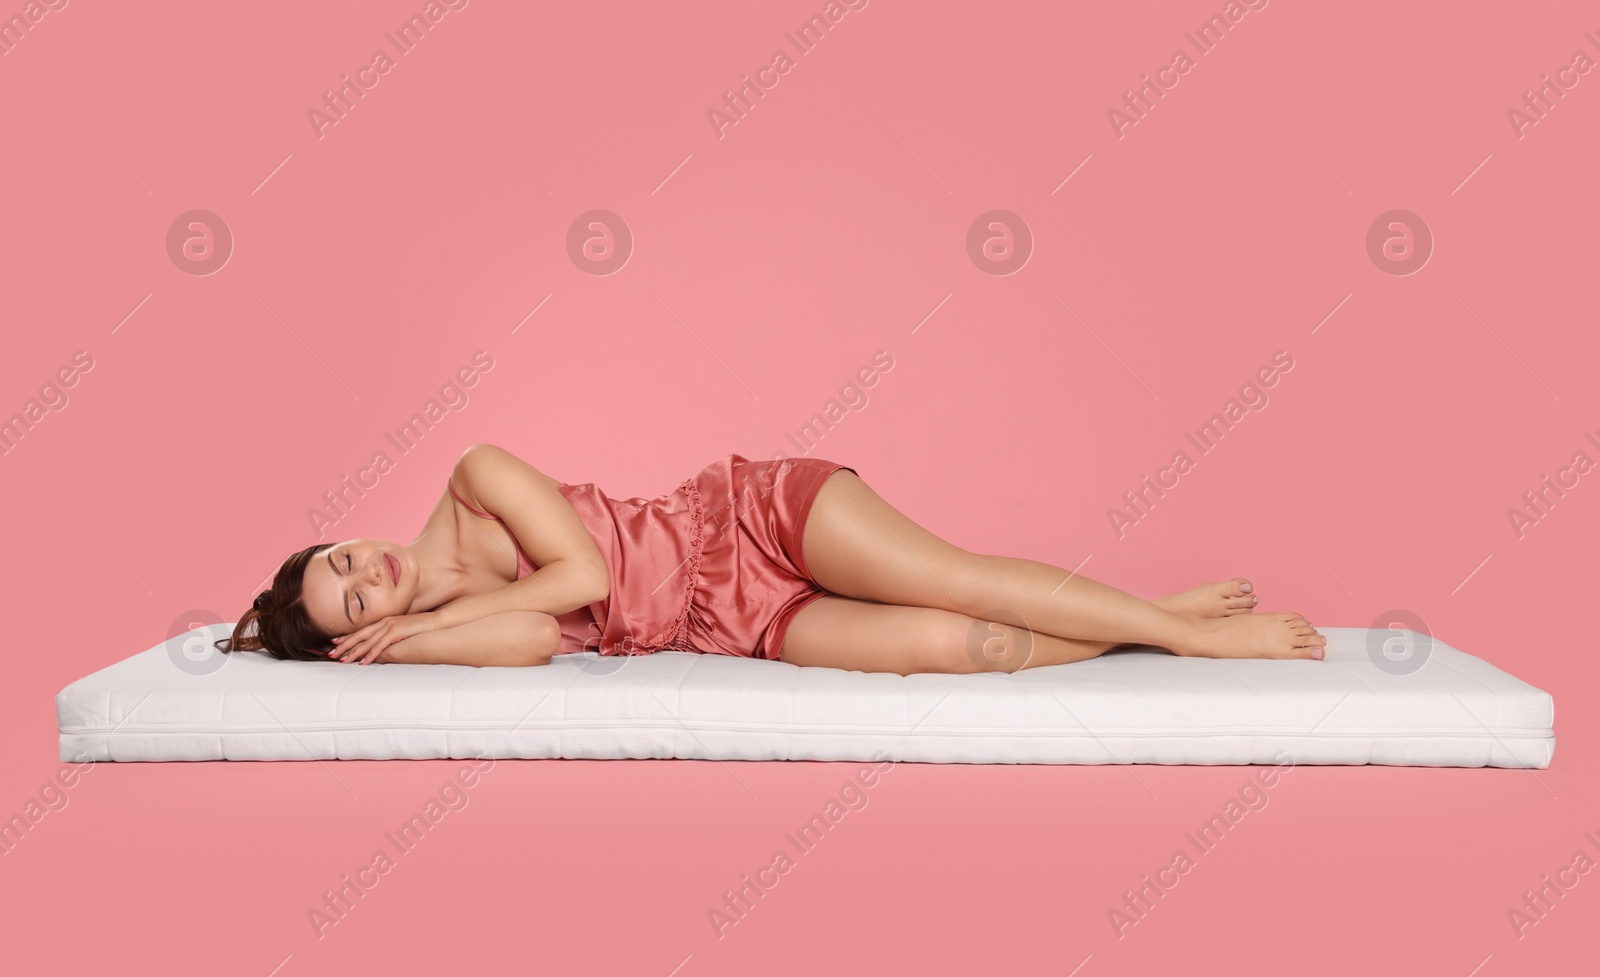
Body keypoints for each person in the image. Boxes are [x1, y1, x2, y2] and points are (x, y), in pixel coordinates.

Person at [216, 443, 1325, 675]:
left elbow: (588, 583)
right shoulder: (439, 627)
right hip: (727, 622)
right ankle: (1137, 616)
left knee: (952, 574)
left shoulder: (472, 483)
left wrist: (408, 620)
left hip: (747, 523)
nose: (371, 573)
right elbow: (524, 640)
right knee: (967, 645)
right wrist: (406, 644)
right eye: (354, 596)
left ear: (347, 530)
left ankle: (1186, 630)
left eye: (346, 556)